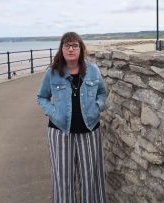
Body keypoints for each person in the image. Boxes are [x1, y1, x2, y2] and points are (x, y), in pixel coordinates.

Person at [36, 31, 107, 203]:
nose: (71, 49)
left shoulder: (93, 70)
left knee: (90, 178)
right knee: (63, 179)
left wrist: (97, 108)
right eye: (66, 45)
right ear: (61, 49)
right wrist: (53, 113)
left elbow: (102, 93)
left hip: (89, 131)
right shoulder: (52, 73)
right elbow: (42, 97)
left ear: (81, 49)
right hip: (60, 133)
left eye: (75, 45)